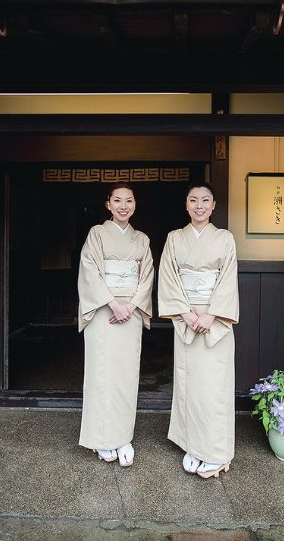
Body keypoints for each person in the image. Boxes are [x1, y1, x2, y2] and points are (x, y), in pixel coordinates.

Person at [158, 182, 239, 479]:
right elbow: (168, 277)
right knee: (188, 386)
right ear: (186, 205)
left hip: (215, 322)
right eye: (193, 200)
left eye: (205, 200)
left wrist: (211, 314)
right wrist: (186, 314)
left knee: (214, 389)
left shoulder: (225, 238)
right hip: (187, 320)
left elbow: (228, 279)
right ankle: (192, 445)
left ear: (214, 205)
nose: (199, 205)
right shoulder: (174, 238)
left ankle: (216, 453)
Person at [77, 183, 154, 467]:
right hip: (103, 312)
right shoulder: (97, 234)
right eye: (117, 200)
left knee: (126, 375)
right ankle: (102, 438)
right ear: (108, 204)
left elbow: (147, 275)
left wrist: (130, 306)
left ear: (135, 204)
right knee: (101, 375)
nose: (123, 206)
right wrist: (113, 303)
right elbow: (90, 271)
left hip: (130, 313)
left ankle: (122, 437)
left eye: (129, 200)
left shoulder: (142, 240)